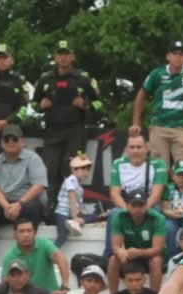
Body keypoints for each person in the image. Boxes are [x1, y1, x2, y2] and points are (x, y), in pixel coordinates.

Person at [130, 40, 183, 167]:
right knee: (159, 169)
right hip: (159, 126)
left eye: (181, 54)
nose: (178, 57)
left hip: (182, 128)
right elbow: (141, 95)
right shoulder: (157, 73)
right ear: (168, 56)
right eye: (174, 53)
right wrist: (136, 123)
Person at [33, 40, 103, 191]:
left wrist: (85, 105)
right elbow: (33, 104)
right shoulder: (45, 78)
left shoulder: (83, 78)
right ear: (55, 57)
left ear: (73, 56)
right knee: (49, 171)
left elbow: (100, 104)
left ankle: (70, 206)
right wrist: (40, 106)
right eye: (60, 54)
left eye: (67, 54)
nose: (63, 58)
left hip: (75, 130)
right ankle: (50, 207)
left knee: (71, 169)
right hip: (52, 130)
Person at [0, 126, 49, 265]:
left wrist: (18, 204)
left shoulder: (33, 158)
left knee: (34, 207)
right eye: (7, 139)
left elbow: (39, 186)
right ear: (1, 143)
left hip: (25, 203)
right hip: (3, 204)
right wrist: (6, 206)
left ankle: (29, 253)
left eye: (14, 139)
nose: (11, 142)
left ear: (22, 141)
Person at [107, 132, 168, 248]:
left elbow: (156, 195)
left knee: (160, 217)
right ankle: (110, 254)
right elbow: (114, 195)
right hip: (127, 206)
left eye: (139, 147)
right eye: (132, 147)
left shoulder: (158, 164)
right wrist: (130, 211)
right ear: (126, 149)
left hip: (150, 205)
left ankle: (160, 256)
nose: (135, 151)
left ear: (146, 148)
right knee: (114, 214)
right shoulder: (118, 164)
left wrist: (141, 210)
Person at [109, 189, 167, 290]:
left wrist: (139, 252)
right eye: (134, 205)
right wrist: (120, 251)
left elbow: (157, 249)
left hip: (151, 255)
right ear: (127, 205)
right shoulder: (119, 217)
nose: (137, 209)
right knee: (113, 259)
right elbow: (115, 246)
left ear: (146, 205)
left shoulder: (158, 218)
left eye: (141, 205)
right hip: (131, 254)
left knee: (156, 261)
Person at [0, 219, 69, 294]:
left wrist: (65, 286)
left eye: (29, 231)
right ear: (15, 235)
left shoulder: (44, 244)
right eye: (21, 231)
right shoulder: (10, 256)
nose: (26, 234)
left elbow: (61, 260)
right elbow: (5, 283)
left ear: (35, 233)